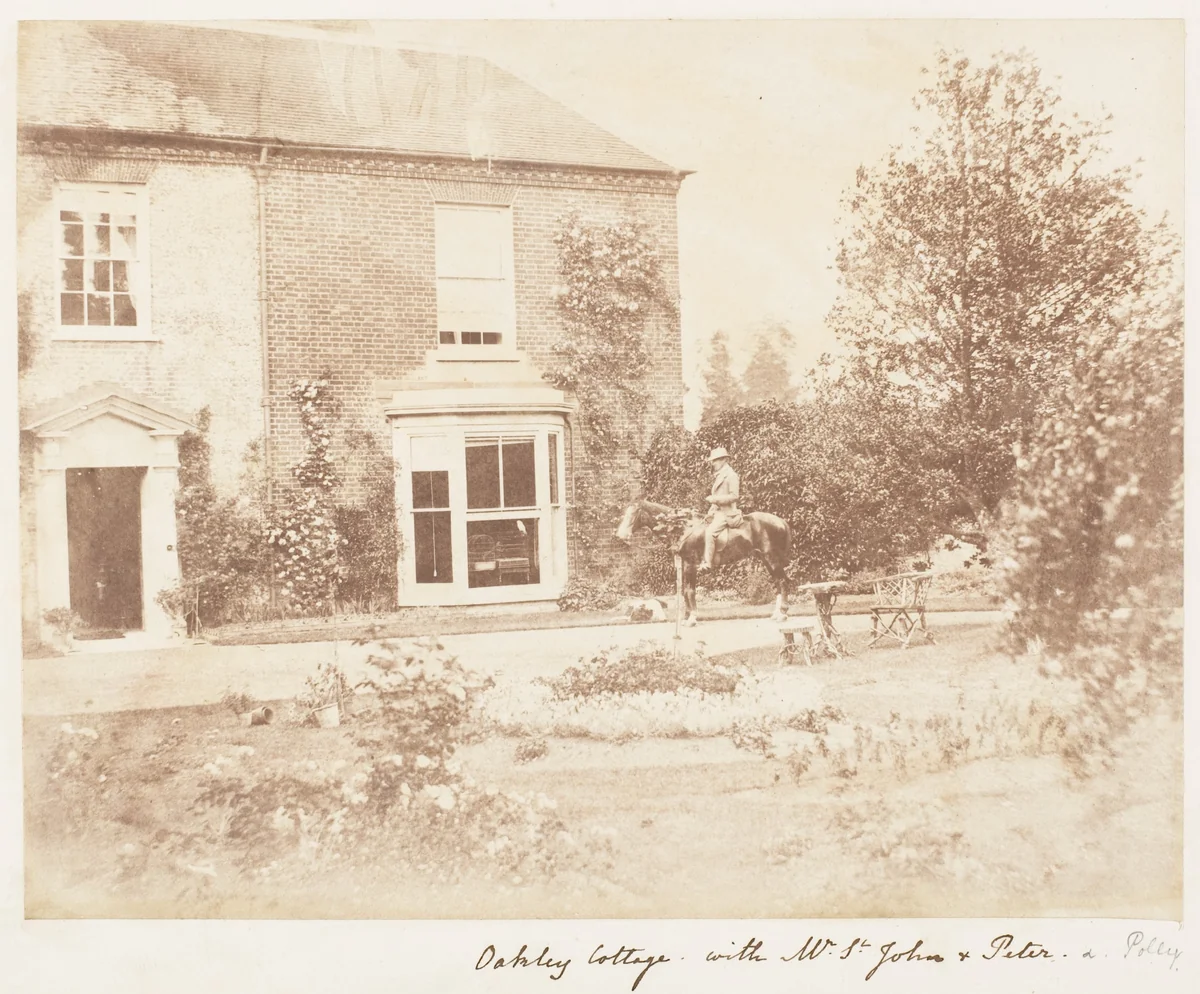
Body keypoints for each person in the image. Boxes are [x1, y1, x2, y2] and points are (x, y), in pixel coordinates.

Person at [697, 447, 741, 571]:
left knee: (710, 532)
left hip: (727, 513)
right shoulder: (720, 475)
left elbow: (734, 496)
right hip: (717, 512)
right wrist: (710, 511)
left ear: (724, 460)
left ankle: (708, 563)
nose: (713, 463)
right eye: (713, 461)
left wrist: (715, 500)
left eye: (715, 460)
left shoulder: (731, 475)